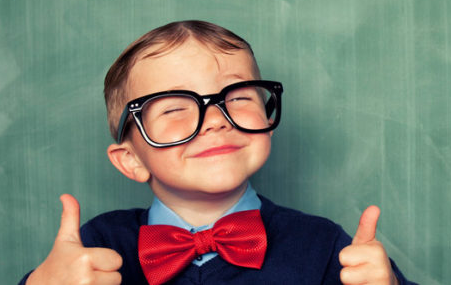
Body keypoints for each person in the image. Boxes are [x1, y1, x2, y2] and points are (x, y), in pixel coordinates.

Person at [21, 20, 411, 284]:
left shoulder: (323, 245)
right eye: (174, 107)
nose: (215, 119)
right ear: (131, 159)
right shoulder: (98, 245)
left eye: (237, 96)